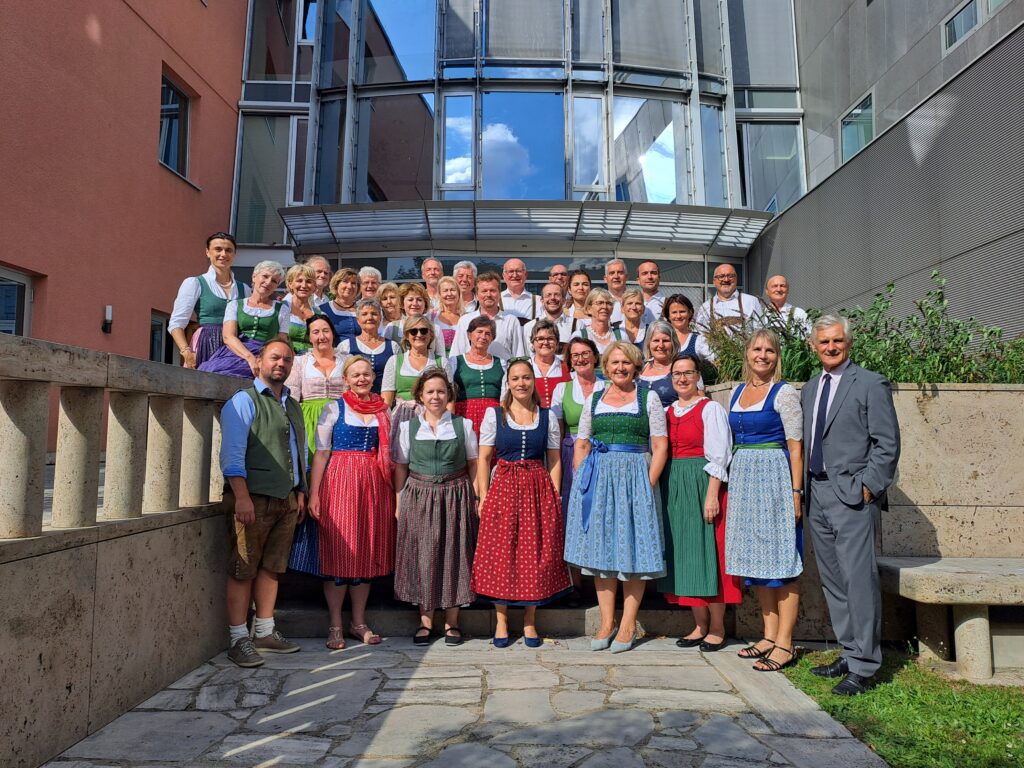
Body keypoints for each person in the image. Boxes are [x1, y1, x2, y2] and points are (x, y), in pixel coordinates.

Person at [802, 314, 900, 696]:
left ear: (849, 343)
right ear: (814, 346)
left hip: (851, 496)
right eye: (824, 342)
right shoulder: (810, 388)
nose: (830, 347)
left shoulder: (870, 383)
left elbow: (887, 443)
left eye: (837, 341)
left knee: (859, 580)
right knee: (834, 580)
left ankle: (865, 665)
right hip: (817, 494)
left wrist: (868, 487)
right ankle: (850, 650)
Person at [565, 342, 669, 653]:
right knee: (601, 552)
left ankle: (628, 624)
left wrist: (647, 484)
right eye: (614, 363)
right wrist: (583, 479)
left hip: (635, 478)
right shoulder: (594, 397)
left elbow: (661, 446)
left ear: (636, 366)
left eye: (626, 362)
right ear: (606, 367)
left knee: (632, 551)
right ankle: (607, 621)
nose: (620, 368)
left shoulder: (647, 397)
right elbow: (582, 443)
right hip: (598, 479)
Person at [219, 339, 306, 667]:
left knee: (272, 567)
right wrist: (241, 496)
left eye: (287, 359)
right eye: (274, 357)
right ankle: (238, 639)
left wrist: (301, 490)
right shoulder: (244, 401)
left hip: (287, 499)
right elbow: (232, 453)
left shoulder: (292, 404)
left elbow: (301, 451)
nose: (281, 363)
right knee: (243, 569)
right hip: (252, 498)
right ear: (259, 361)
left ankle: (265, 631)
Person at [472, 358, 570, 647]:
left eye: (526, 378)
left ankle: (530, 621)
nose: (521, 383)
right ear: (508, 383)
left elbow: (554, 460)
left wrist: (555, 495)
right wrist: (483, 496)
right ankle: (501, 621)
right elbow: (484, 458)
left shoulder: (547, 416)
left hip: (537, 488)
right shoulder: (495, 415)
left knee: (534, 552)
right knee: (502, 553)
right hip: (503, 486)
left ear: (533, 382)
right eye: (515, 378)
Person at [724, 330, 804, 673]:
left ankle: (786, 643)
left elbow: (796, 447)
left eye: (769, 350)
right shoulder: (736, 391)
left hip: (773, 478)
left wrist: (796, 492)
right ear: (747, 353)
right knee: (757, 561)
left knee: (782, 560)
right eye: (757, 349)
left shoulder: (784, 393)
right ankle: (768, 636)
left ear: (777, 356)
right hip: (744, 479)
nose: (763, 355)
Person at [309, 355, 395, 648]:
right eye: (355, 374)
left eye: (366, 374)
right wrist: (315, 493)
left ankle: (358, 622)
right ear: (345, 379)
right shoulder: (334, 408)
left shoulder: (383, 411)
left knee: (365, 551)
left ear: (373, 377)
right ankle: (335, 624)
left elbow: (389, 454)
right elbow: (321, 453)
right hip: (340, 481)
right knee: (338, 551)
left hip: (373, 484)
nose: (361, 379)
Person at [393, 369, 480, 646]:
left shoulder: (462, 425)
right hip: (419, 494)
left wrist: (476, 497)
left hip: (455, 493)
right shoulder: (408, 427)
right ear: (420, 395)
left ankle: (452, 622)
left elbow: (474, 463)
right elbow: (401, 467)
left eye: (441, 391)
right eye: (430, 391)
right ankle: (426, 621)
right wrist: (399, 501)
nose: (436, 396)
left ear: (449, 395)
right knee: (424, 555)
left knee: (454, 553)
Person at [659, 354, 740, 651]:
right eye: (677, 373)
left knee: (710, 551)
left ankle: (717, 626)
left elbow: (720, 453)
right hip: (674, 483)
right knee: (685, 552)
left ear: (697, 376)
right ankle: (699, 624)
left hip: (702, 480)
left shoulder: (710, 409)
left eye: (688, 373)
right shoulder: (668, 411)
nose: (682, 378)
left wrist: (711, 493)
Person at [283, 316, 349, 639]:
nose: (321, 335)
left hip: (342, 422)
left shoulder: (347, 360)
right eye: (315, 332)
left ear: (333, 334)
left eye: (325, 330)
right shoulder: (300, 362)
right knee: (314, 480)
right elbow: (292, 400)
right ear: (308, 337)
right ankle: (311, 554)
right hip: (309, 420)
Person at [169, 232, 250, 368]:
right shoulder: (194, 283)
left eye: (228, 250)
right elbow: (176, 323)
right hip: (206, 344)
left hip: (237, 347)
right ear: (208, 252)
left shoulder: (245, 289)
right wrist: (186, 352)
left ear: (234, 255)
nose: (223, 254)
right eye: (218, 249)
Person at [199, 261, 289, 378]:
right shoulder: (235, 305)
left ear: (276, 286)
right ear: (254, 276)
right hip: (238, 352)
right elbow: (228, 337)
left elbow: (281, 341)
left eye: (274, 281)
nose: (268, 282)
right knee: (212, 370)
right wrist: (250, 358)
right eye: (265, 276)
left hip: (265, 353)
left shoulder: (282, 309)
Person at [550, 338, 605, 521]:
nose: (580, 359)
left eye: (585, 353)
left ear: (595, 356)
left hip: (601, 450)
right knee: (575, 502)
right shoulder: (561, 389)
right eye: (575, 355)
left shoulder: (608, 387)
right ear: (570, 360)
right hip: (571, 452)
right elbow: (557, 432)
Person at [381, 315, 449, 438]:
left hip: (434, 419)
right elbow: (386, 401)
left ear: (431, 335)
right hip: (402, 419)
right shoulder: (395, 361)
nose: (419, 334)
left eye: (423, 330)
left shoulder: (442, 362)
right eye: (413, 331)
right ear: (407, 336)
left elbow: (449, 400)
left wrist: (447, 427)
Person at [449, 272, 526, 359]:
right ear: (477, 296)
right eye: (484, 291)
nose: (488, 295)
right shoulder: (465, 321)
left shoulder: (511, 321)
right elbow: (455, 355)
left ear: (499, 294)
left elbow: (519, 356)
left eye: (492, 290)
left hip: (503, 372)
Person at [450, 316, 504, 440]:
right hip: (465, 414)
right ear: (469, 335)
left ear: (492, 338)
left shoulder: (501, 363)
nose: (483, 336)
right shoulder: (455, 361)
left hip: (494, 415)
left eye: (488, 334)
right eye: (479, 332)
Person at [335, 299, 397, 395]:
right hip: (355, 403)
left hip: (385, 402)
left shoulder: (393, 346)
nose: (370, 317)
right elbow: (341, 379)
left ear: (380, 318)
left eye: (374, 314)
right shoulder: (345, 346)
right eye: (364, 314)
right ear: (358, 320)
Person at [695, 263, 764, 334]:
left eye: (730, 276)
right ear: (714, 281)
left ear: (736, 279)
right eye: (721, 276)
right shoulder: (705, 307)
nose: (726, 279)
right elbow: (701, 336)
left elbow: (761, 333)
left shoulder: (751, 301)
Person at [384, 283, 446, 359]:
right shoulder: (392, 328)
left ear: (425, 304)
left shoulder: (435, 329)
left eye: (419, 300)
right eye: (410, 300)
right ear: (402, 304)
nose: (415, 303)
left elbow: (441, 357)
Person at [529, 319, 570, 408]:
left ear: (557, 342)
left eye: (550, 339)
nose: (545, 342)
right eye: (540, 339)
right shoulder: (524, 367)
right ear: (532, 342)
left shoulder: (568, 368)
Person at [574, 289, 627, 358]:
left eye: (609, 303)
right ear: (589, 308)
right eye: (599, 303)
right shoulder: (579, 336)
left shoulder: (622, 336)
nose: (604, 307)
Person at [638, 320, 680, 406]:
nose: (661, 345)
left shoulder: (682, 368)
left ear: (673, 343)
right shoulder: (639, 368)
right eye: (656, 340)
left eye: (665, 341)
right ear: (648, 344)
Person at [662, 294, 715, 362]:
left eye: (682, 311)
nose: (678, 316)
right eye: (674, 312)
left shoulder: (699, 340)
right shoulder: (661, 338)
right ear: (668, 316)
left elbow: (717, 361)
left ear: (690, 313)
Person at [283, 263, 322, 354]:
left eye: (309, 281)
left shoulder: (319, 313)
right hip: (287, 358)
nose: (304, 285)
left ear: (314, 286)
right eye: (299, 281)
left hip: (311, 361)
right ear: (290, 284)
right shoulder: (281, 308)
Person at [320, 268, 361, 342]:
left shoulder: (363, 309)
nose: (349, 286)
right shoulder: (323, 310)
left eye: (353, 283)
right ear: (336, 285)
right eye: (345, 281)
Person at [429, 275, 464, 353]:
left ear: (458, 293)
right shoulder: (431, 317)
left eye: (453, 290)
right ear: (439, 295)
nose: (449, 294)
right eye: (445, 290)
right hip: (438, 362)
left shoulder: (466, 317)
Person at [500, 258, 540, 322]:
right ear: (504, 276)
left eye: (519, 271)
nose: (515, 275)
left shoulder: (539, 301)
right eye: (511, 271)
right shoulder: (495, 300)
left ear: (526, 274)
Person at [604, 258, 629, 324]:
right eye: (612, 273)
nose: (616, 276)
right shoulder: (601, 303)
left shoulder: (635, 300)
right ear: (605, 279)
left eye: (620, 273)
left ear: (626, 277)